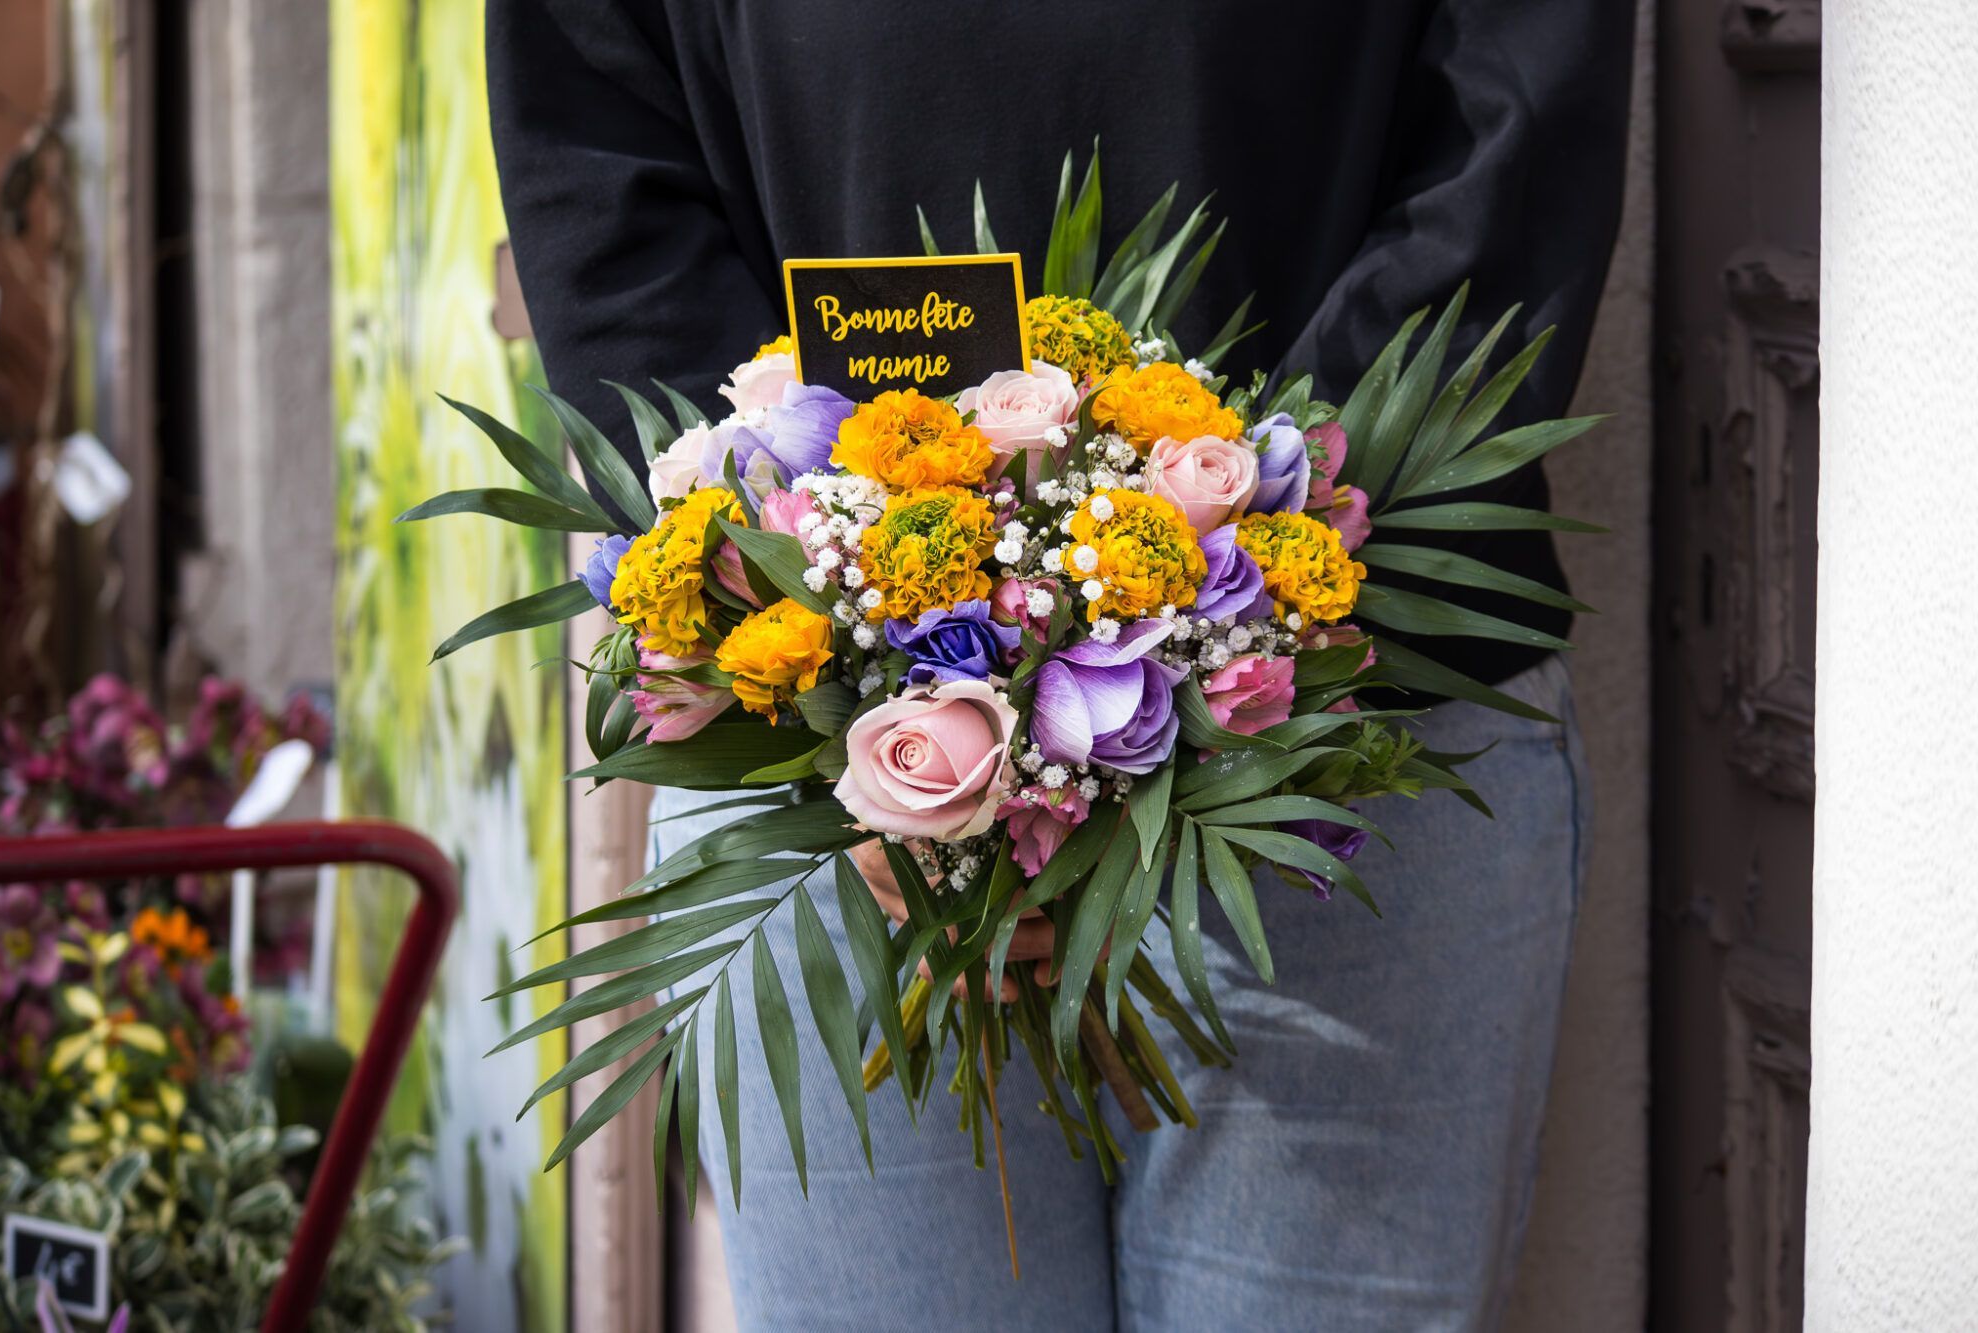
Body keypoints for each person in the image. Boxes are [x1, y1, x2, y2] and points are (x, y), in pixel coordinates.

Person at [488, 2, 1630, 1327]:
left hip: (1340, 745)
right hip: (845, 782)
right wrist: (813, 588)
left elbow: (1517, 125)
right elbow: (598, 136)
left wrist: (1240, 578)